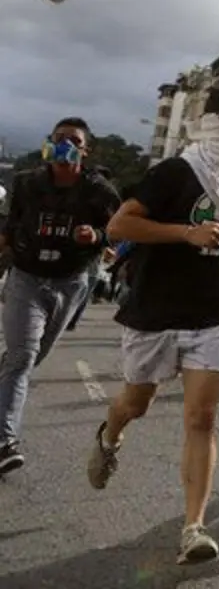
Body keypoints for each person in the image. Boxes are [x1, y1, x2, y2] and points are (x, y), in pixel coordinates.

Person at [86, 85, 219, 564]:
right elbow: (119, 227)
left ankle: (193, 527)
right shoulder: (174, 172)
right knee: (135, 403)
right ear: (207, 122)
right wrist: (185, 233)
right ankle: (109, 435)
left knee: (202, 418)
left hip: (209, 313)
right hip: (155, 310)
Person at [0, 118, 120, 476]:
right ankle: (5, 442)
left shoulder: (100, 192)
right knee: (22, 356)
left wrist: (97, 237)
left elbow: (118, 231)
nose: (65, 144)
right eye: (59, 139)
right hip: (26, 279)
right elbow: (7, 231)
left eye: (74, 140)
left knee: (28, 360)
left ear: (85, 150)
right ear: (48, 144)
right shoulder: (26, 184)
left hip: (70, 283)